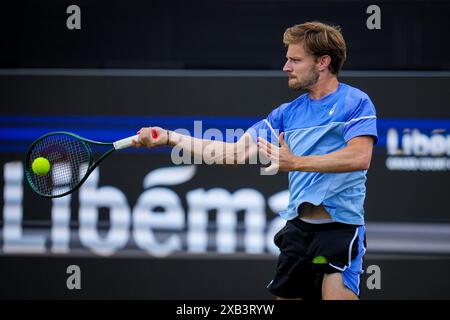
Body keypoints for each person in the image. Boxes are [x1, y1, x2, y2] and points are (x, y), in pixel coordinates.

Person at [133, 21, 377, 300]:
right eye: (288, 59)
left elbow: (359, 156)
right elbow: (233, 153)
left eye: (295, 60)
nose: (286, 67)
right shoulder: (285, 114)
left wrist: (296, 162)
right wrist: (169, 137)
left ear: (323, 62)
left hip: (340, 229)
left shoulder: (356, 102)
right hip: (298, 231)